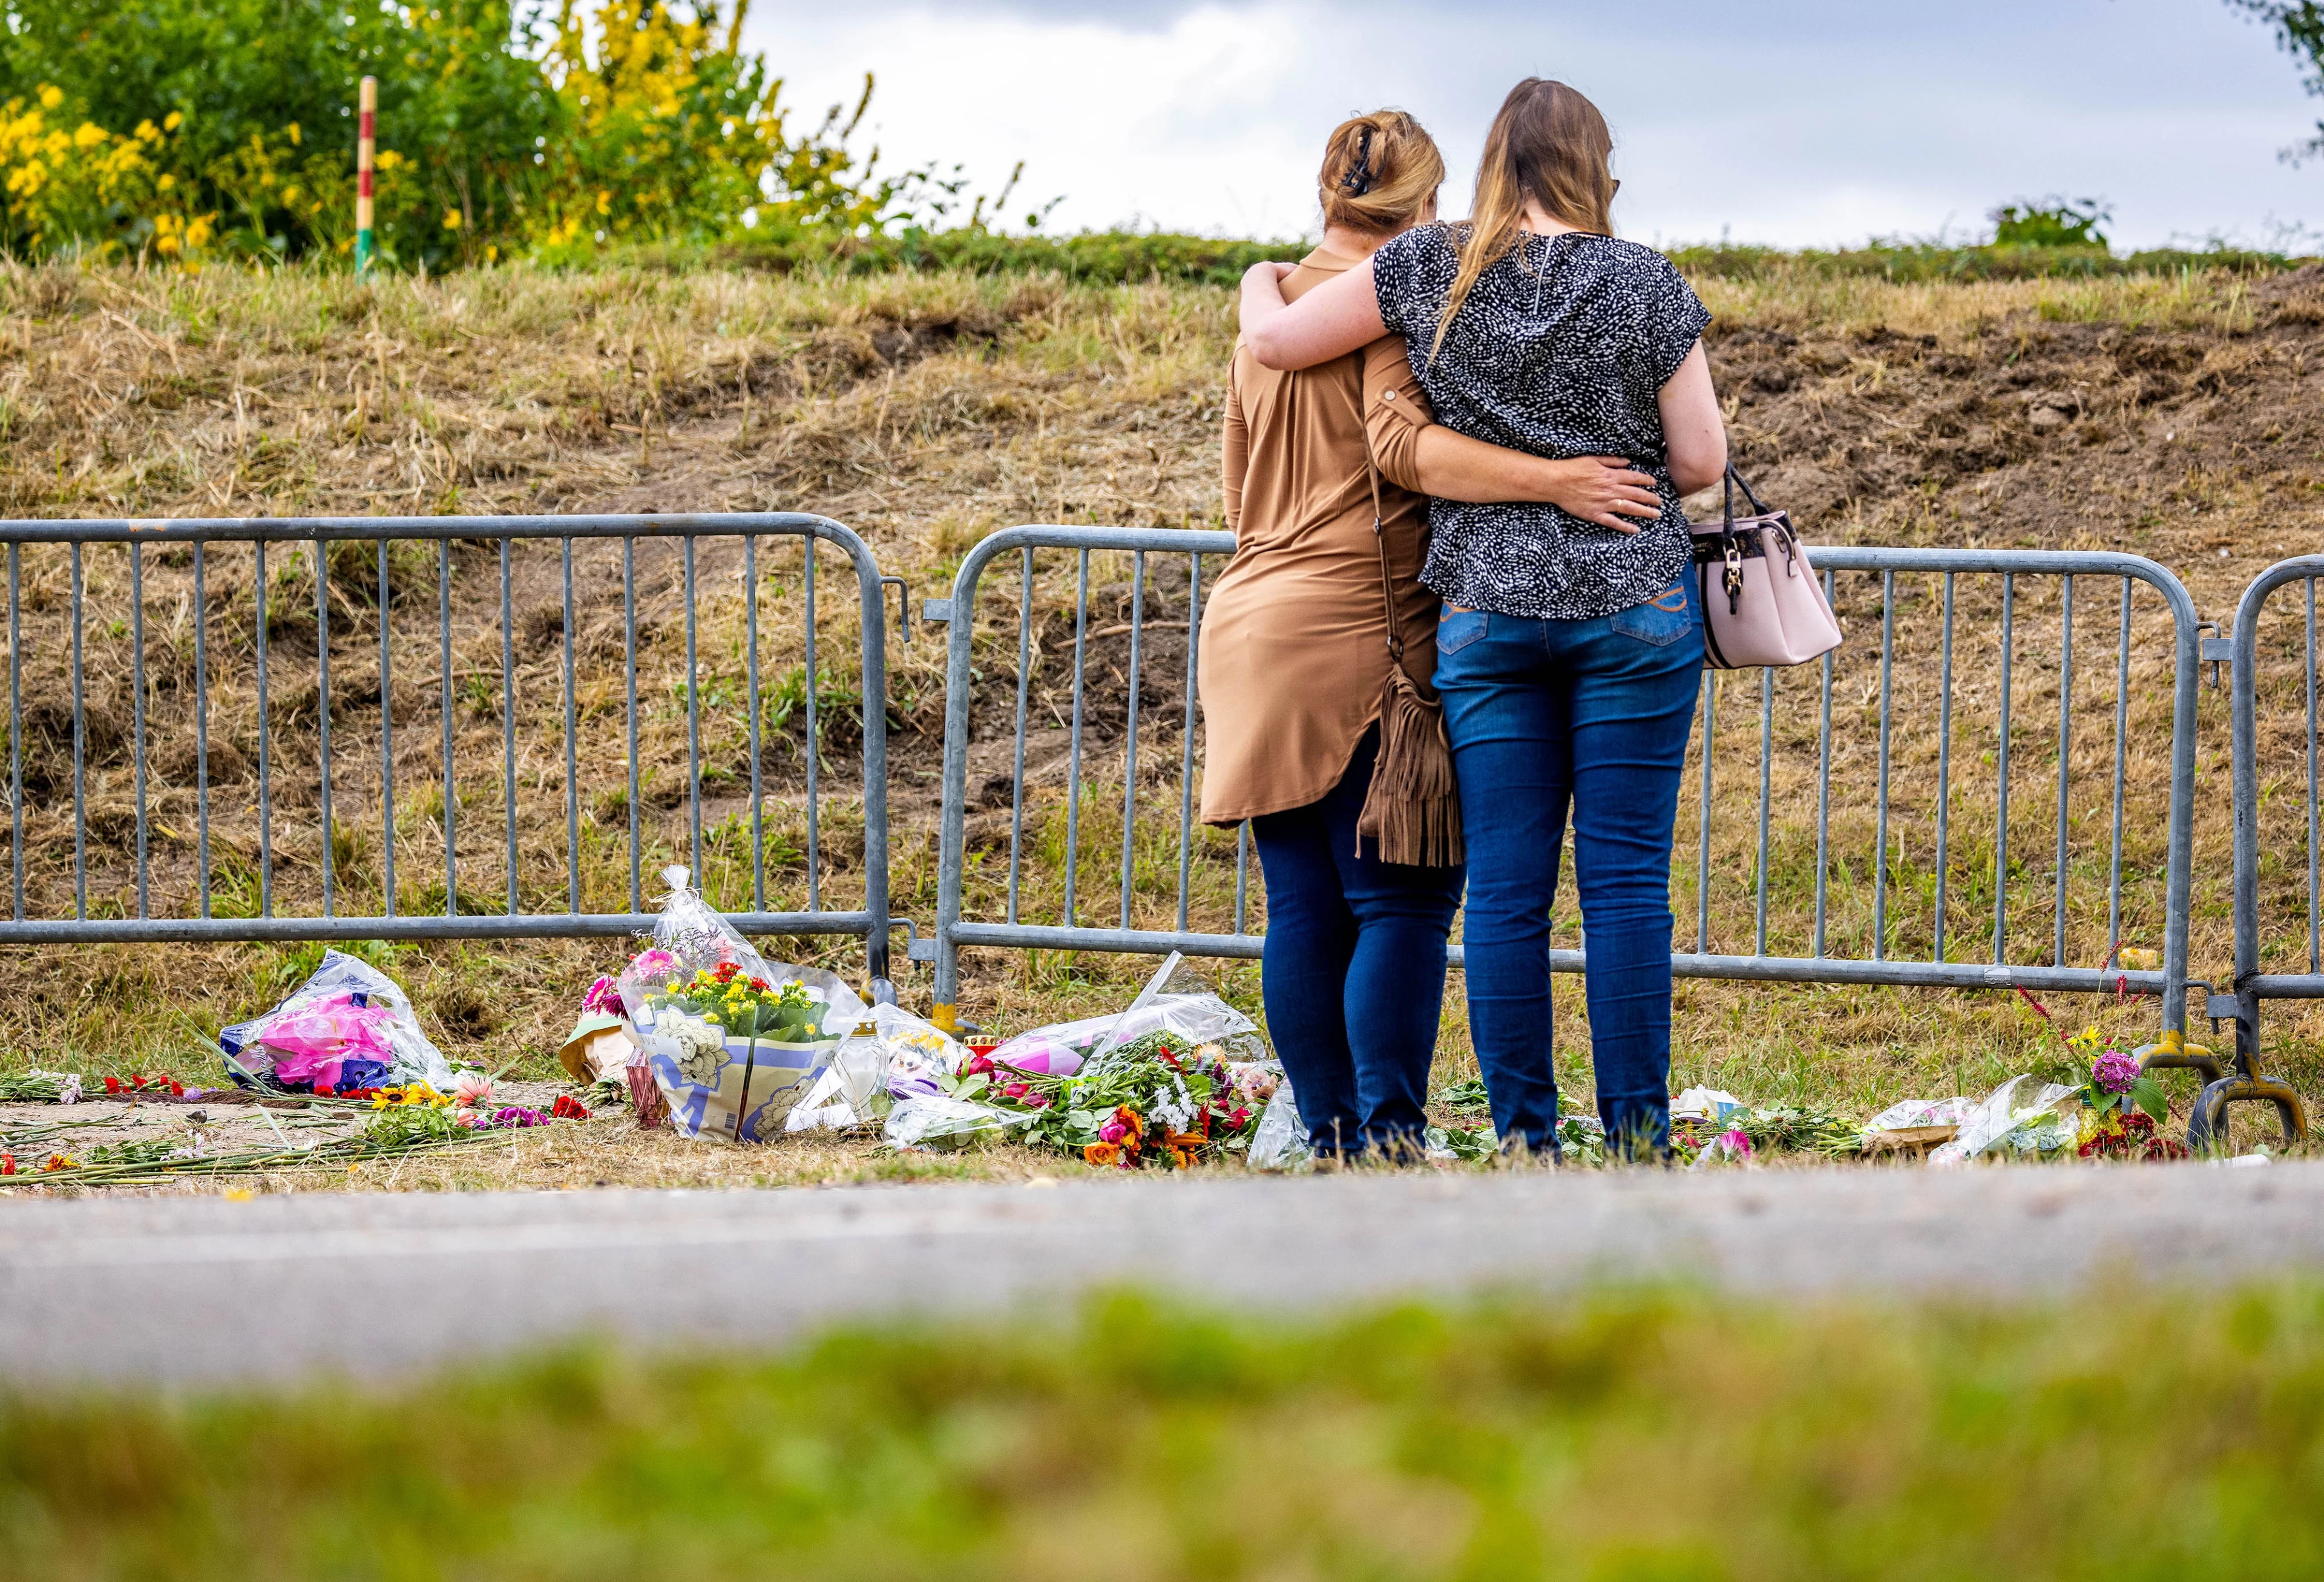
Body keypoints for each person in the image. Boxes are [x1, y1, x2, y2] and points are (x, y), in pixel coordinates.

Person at [1235, 79, 1729, 1159]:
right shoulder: (1646, 281)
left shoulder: (1427, 266)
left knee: (1507, 893)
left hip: (1488, 616)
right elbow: (1699, 461)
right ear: (1597, 168)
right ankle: (1638, 1138)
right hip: (1630, 604)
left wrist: (1254, 283)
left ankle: (1523, 1139)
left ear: (1493, 168)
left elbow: (1278, 345)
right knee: (1626, 886)